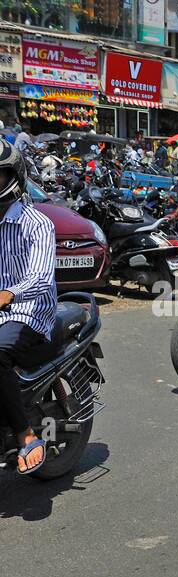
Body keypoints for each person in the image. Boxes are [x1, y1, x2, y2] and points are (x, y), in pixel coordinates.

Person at [0, 140, 57, 474]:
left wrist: (9, 294)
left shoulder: (36, 223)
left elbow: (40, 276)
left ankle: (24, 433)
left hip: (30, 312)